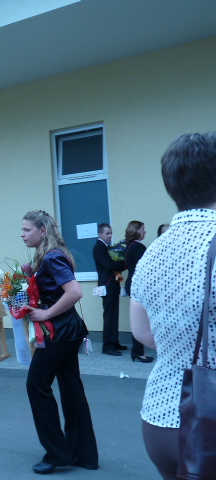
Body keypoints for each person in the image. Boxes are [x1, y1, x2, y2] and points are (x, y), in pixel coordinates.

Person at [131, 132, 216, 479]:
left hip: (160, 418)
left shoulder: (151, 254)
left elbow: (141, 332)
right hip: (209, 427)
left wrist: (182, 346)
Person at [21, 210, 98, 475]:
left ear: (42, 231)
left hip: (59, 333)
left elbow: (74, 292)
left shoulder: (52, 257)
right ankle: (83, 454)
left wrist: (45, 313)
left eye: (27, 229)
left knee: (36, 385)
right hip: (68, 331)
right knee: (71, 388)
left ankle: (56, 453)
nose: (22, 234)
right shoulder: (51, 255)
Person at [92, 223, 127, 355]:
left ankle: (114, 342)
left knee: (114, 315)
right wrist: (126, 263)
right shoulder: (99, 247)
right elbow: (109, 265)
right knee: (110, 316)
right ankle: (108, 346)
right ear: (100, 234)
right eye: (107, 233)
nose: (110, 236)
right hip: (107, 285)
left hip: (112, 285)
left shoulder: (106, 247)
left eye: (111, 233)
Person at [123, 221, 153, 363]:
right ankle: (138, 352)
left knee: (140, 318)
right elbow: (148, 267)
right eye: (142, 229)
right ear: (136, 231)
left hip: (132, 283)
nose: (144, 231)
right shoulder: (138, 247)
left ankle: (138, 351)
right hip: (139, 285)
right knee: (142, 320)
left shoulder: (129, 246)